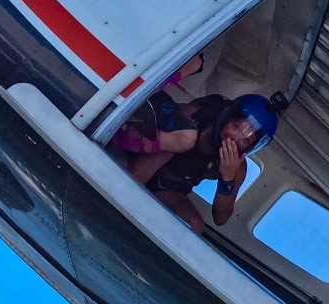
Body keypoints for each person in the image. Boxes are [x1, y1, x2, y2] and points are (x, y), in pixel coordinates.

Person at [116, 90, 278, 235]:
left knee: (195, 225)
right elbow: (155, 121)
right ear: (226, 118)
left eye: (247, 139)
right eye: (236, 127)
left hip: (170, 188)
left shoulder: (238, 167)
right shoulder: (198, 114)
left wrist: (226, 180)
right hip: (148, 161)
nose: (236, 138)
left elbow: (220, 217)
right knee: (171, 149)